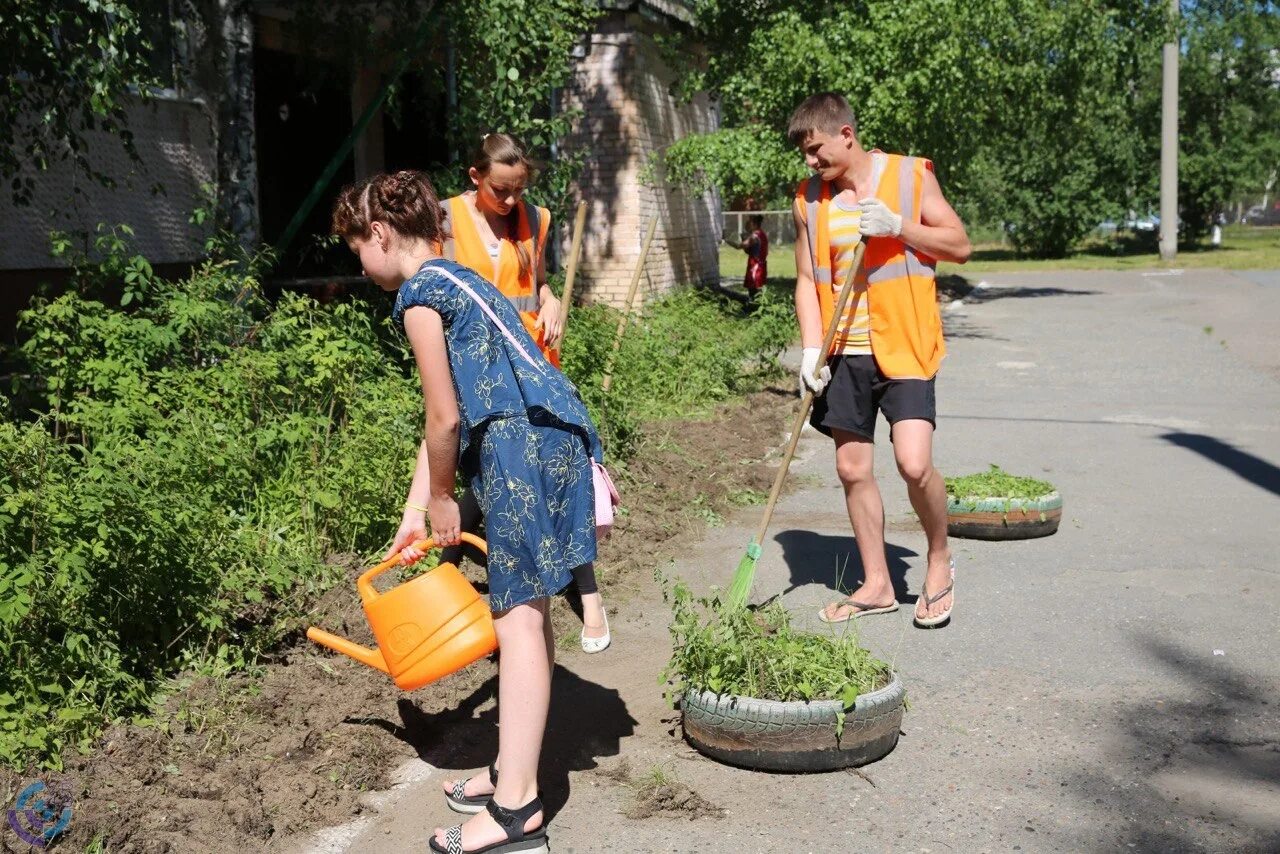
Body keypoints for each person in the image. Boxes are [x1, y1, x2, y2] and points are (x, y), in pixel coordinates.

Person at [332, 170, 603, 853]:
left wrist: (446, 498)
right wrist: (414, 509)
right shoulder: (463, 278)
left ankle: (517, 812)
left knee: (517, 619)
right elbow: (446, 415)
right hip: (555, 440)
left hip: (519, 449)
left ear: (381, 234)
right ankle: (511, 773)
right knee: (530, 612)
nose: (358, 265)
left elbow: (443, 417)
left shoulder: (420, 296)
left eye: (355, 248)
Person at [787, 92, 971, 629]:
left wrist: (898, 227)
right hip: (845, 351)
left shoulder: (911, 178)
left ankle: (938, 558)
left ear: (846, 133)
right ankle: (878, 584)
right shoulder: (809, 200)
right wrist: (809, 347)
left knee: (914, 464)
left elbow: (959, 245)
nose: (810, 161)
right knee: (852, 468)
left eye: (817, 149)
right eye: (804, 152)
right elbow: (805, 279)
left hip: (906, 343)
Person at [440, 133, 610, 653]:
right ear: (475, 177)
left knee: (557, 469)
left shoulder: (535, 219)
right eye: (500, 191)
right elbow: (441, 291)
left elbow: (536, 282)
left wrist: (552, 297)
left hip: (533, 367)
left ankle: (588, 595)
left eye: (518, 190)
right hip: (478, 373)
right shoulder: (445, 220)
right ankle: (444, 581)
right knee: (483, 469)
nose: (511, 201)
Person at [737, 213, 769, 300]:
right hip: (759, 264)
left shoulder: (755, 236)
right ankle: (756, 307)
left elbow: (739, 246)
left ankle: (754, 308)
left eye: (750, 223)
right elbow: (750, 251)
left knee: (753, 288)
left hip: (755, 265)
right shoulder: (762, 234)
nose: (748, 225)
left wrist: (726, 240)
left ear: (754, 224)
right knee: (756, 288)